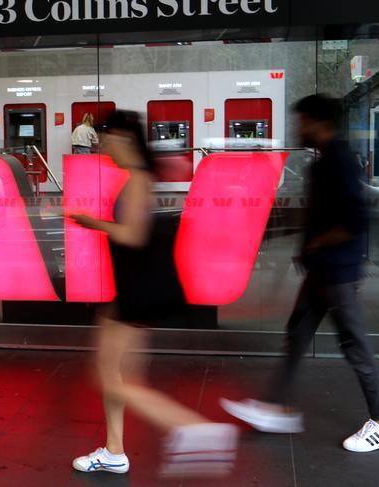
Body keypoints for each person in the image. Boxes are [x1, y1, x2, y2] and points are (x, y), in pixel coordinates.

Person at [70, 111, 238, 478]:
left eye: (107, 136)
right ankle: (114, 450)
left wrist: (90, 221)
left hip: (135, 295)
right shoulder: (139, 177)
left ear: (124, 140)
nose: (102, 143)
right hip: (132, 292)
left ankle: (195, 429)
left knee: (108, 376)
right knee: (119, 375)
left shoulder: (137, 180)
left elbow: (132, 235)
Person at [221, 94, 379, 453]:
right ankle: (276, 407)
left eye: (303, 121)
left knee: (355, 344)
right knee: (296, 336)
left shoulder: (338, 161)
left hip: (338, 273)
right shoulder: (324, 162)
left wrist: (318, 243)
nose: (299, 128)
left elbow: (354, 220)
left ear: (318, 122)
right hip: (322, 270)